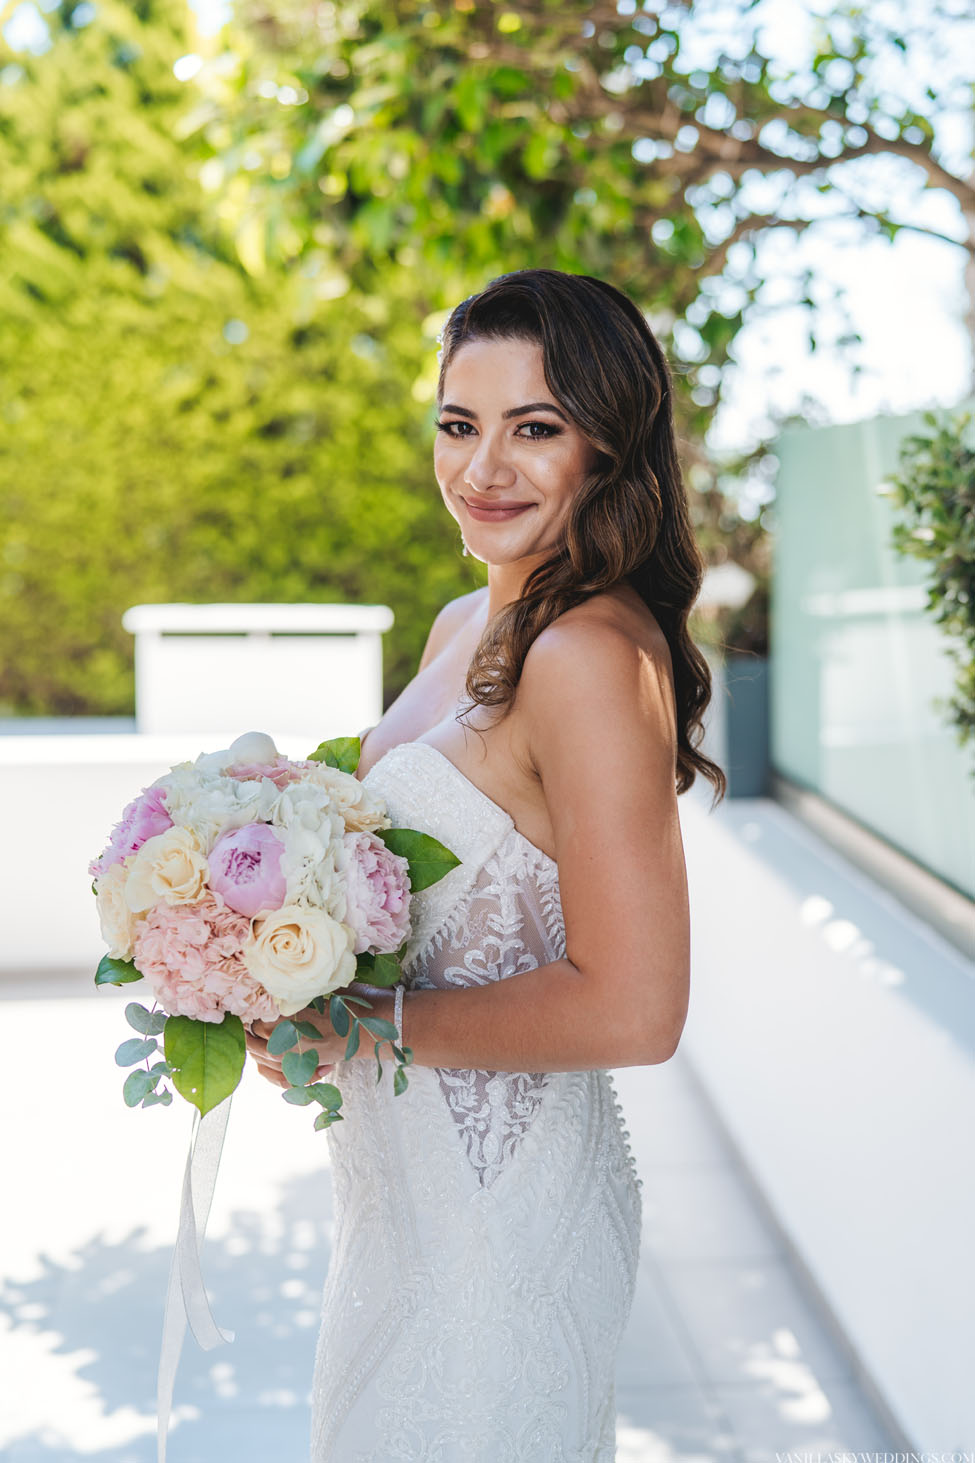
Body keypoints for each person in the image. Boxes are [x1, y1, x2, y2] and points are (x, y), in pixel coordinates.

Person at [245, 267, 726, 1461]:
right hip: (400, 1197)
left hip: (495, 1219)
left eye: (536, 429)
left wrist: (369, 1021)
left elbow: (636, 1004)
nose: (482, 468)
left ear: (611, 447)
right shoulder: (469, 621)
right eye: (460, 425)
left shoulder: (590, 656)